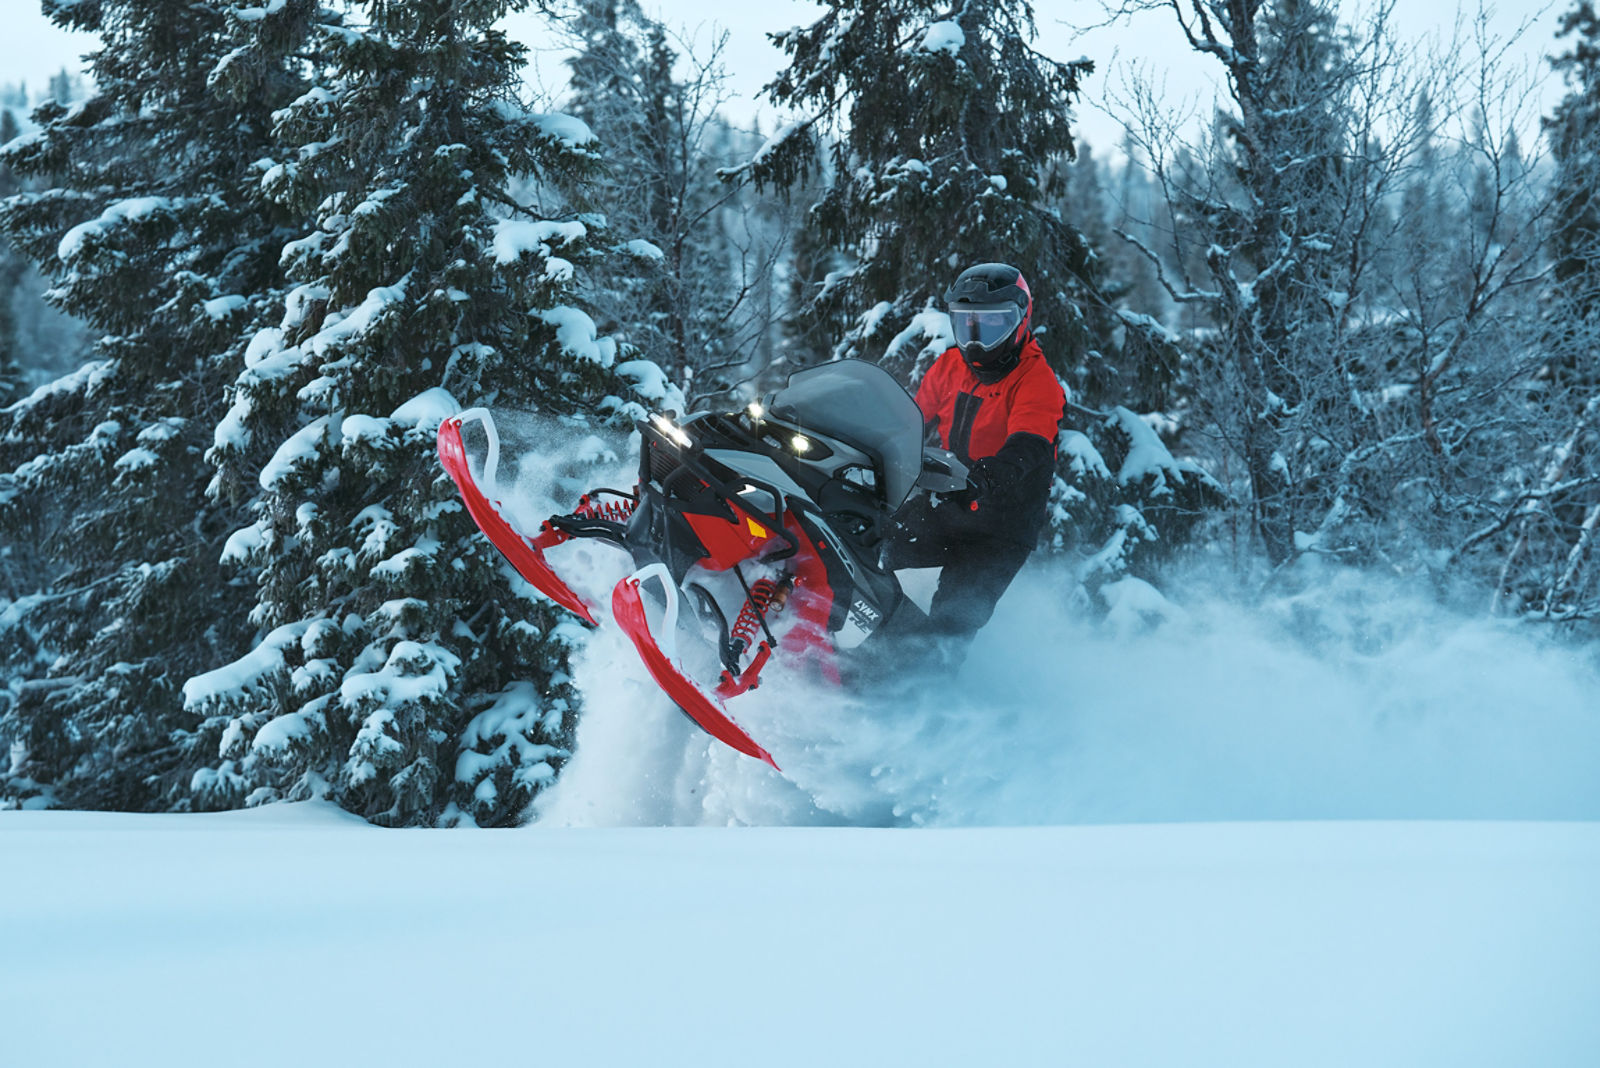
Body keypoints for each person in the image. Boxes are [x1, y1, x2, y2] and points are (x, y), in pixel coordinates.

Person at [886, 262, 1066, 643]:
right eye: (967, 325)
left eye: (992, 326)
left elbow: (1029, 443)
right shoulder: (950, 365)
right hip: (948, 503)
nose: (976, 341)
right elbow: (911, 421)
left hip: (1002, 526)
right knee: (875, 546)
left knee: (954, 618)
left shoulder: (1037, 380)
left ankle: (932, 689)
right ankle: (868, 642)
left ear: (1020, 321)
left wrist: (991, 475)